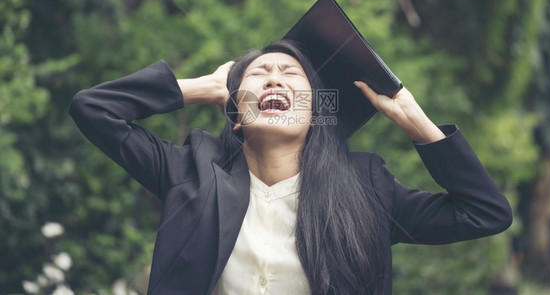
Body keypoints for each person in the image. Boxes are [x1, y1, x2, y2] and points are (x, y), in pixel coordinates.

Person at [69, 40, 512, 295]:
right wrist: (205, 85)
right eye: (260, 74)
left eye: (291, 75)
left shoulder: (366, 186)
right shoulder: (190, 169)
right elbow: (93, 109)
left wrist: (414, 120)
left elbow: (484, 213)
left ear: (316, 112)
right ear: (236, 112)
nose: (276, 78)